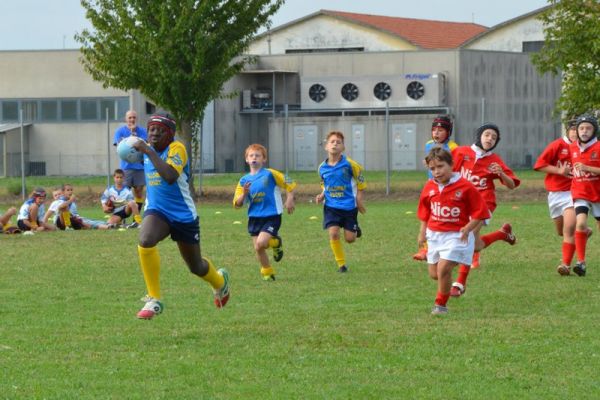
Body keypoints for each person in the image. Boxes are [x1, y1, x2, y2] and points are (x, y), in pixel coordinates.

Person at [131, 113, 230, 319]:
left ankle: (220, 282)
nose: (155, 133)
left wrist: (148, 151)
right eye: (151, 129)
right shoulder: (147, 150)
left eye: (160, 130)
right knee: (145, 239)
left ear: (170, 134)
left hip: (183, 215)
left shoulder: (177, 149)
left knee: (196, 267)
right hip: (157, 211)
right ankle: (154, 299)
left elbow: (169, 176)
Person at [449, 123, 520, 297]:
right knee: (476, 244)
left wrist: (501, 173)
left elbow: (512, 185)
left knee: (467, 239)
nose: (490, 139)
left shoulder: (495, 160)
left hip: (483, 203)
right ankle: (502, 234)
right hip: (461, 203)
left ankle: (459, 283)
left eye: (494, 137)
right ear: (479, 135)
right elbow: (445, 170)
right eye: (487, 135)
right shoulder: (461, 152)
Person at [417, 147, 489, 315]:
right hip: (434, 235)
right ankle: (448, 275)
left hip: (457, 236)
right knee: (435, 274)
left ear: (452, 165)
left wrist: (468, 228)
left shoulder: (465, 186)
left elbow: (481, 212)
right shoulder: (429, 187)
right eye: (432, 169)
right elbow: (425, 211)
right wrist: (422, 232)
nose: (437, 172)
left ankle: (440, 305)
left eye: (441, 166)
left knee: (443, 269)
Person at [534, 119, 589, 275]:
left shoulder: (584, 148)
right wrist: (559, 171)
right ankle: (584, 231)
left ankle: (565, 265)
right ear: (568, 131)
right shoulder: (557, 145)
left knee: (569, 230)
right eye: (573, 130)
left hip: (573, 193)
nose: (576, 133)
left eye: (578, 130)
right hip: (555, 195)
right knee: (562, 232)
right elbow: (539, 165)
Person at [233, 144, 296, 281]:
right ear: (247, 160)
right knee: (259, 247)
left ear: (264, 159)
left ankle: (274, 245)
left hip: (272, 215)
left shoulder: (270, 174)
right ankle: (268, 271)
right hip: (254, 217)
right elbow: (237, 204)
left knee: (260, 243)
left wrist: (290, 198)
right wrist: (244, 194)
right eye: (251, 155)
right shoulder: (243, 180)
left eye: (257, 155)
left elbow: (290, 182)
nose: (254, 157)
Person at [315, 131, 366, 273]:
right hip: (331, 207)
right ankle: (341, 265)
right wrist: (322, 195)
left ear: (343, 147)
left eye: (338, 142)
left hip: (349, 206)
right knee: (333, 233)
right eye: (332, 141)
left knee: (350, 239)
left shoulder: (350, 164)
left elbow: (361, 183)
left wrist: (359, 200)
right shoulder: (321, 168)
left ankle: (355, 229)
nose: (335, 144)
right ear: (326, 146)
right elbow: (325, 185)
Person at [413, 115, 458, 261]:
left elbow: (455, 167)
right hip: (432, 186)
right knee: (427, 216)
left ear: (448, 132)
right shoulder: (428, 145)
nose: (436, 133)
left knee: (443, 218)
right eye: (434, 130)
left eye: (440, 130)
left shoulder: (453, 148)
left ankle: (453, 249)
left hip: (447, 188)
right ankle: (425, 249)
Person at [569, 115, 600, 277]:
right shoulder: (573, 148)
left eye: (588, 128)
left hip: (598, 194)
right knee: (580, 224)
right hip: (580, 193)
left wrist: (588, 168)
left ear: (594, 130)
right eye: (581, 128)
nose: (584, 131)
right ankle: (581, 262)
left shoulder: (599, 147)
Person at [113, 110, 147, 214]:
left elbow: (145, 146)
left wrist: (134, 134)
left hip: (140, 167)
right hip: (126, 167)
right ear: (126, 119)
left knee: (138, 192)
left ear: (136, 119)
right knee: (124, 193)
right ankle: (121, 218)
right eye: (130, 117)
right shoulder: (120, 131)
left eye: (134, 117)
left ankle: (136, 218)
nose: (132, 119)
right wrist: (130, 136)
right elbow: (118, 146)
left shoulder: (143, 131)